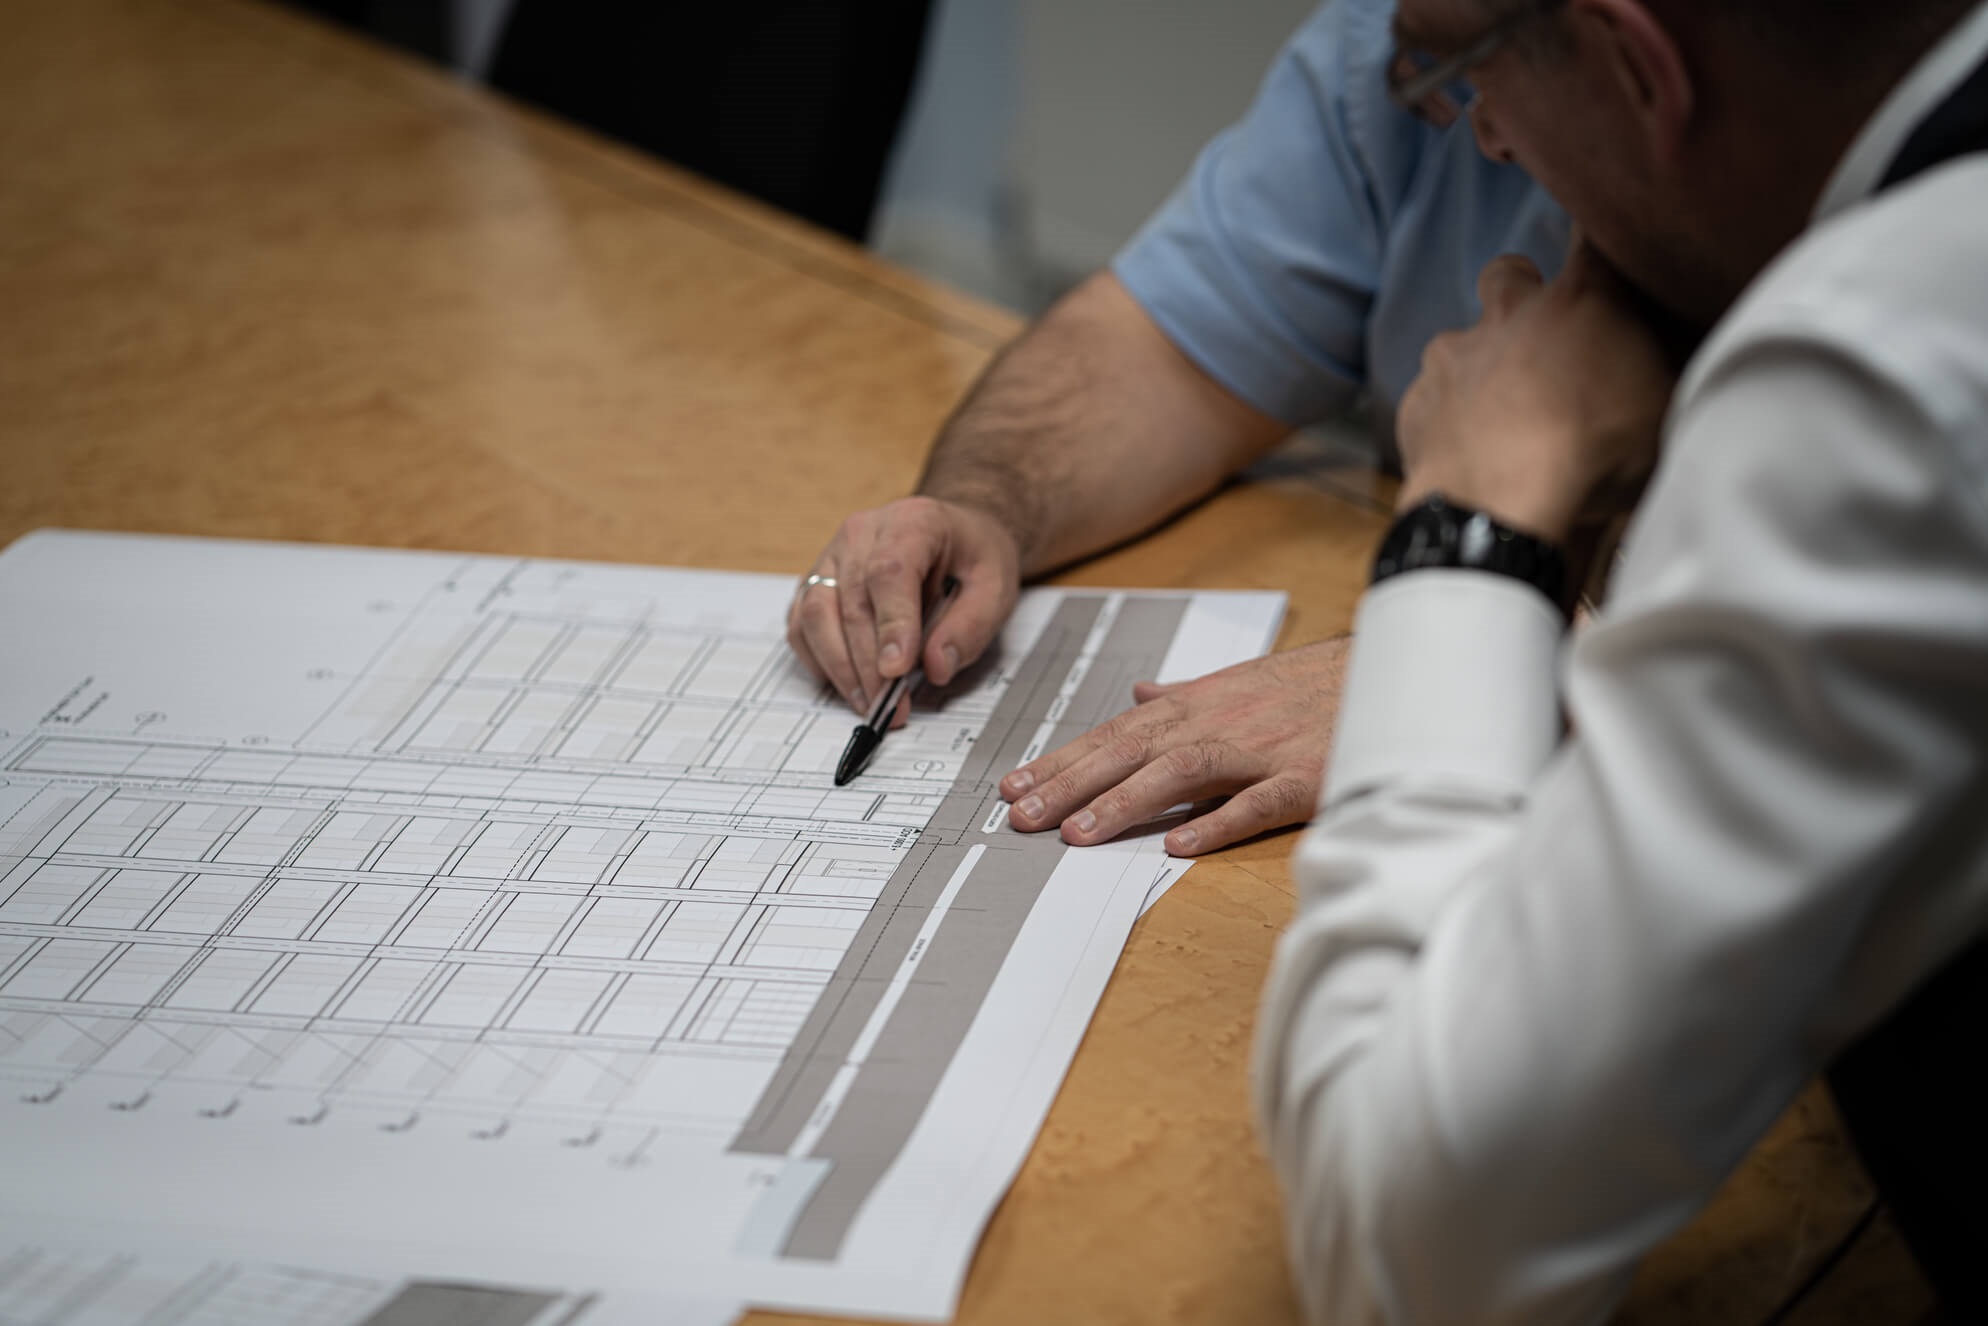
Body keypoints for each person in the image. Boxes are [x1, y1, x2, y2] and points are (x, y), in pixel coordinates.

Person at [1256, 0, 1988, 1320]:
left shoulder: (1878, 378)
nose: (1480, 138)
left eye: (1465, 77)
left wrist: (1476, 517)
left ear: (1637, 65)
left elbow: (1410, 1252)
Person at [788, 0, 1566, 856]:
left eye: (1469, 74)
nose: (1480, 137)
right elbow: (1160, 350)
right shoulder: (1398, 33)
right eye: (1438, 80)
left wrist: (1441, 670)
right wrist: (984, 506)